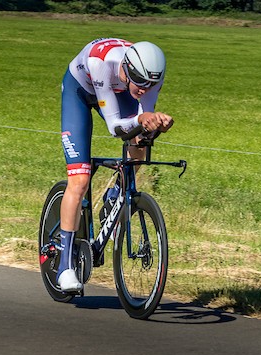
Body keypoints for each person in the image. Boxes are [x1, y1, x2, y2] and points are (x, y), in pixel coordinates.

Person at [56, 38, 174, 292]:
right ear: (128, 70)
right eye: (140, 84)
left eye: (151, 85)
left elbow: (141, 123)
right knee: (80, 180)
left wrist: (154, 125)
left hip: (116, 91)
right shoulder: (103, 63)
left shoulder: (149, 77)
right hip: (80, 89)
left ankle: (116, 194)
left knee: (140, 144)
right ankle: (64, 266)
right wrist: (142, 118)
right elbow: (115, 127)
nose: (145, 90)